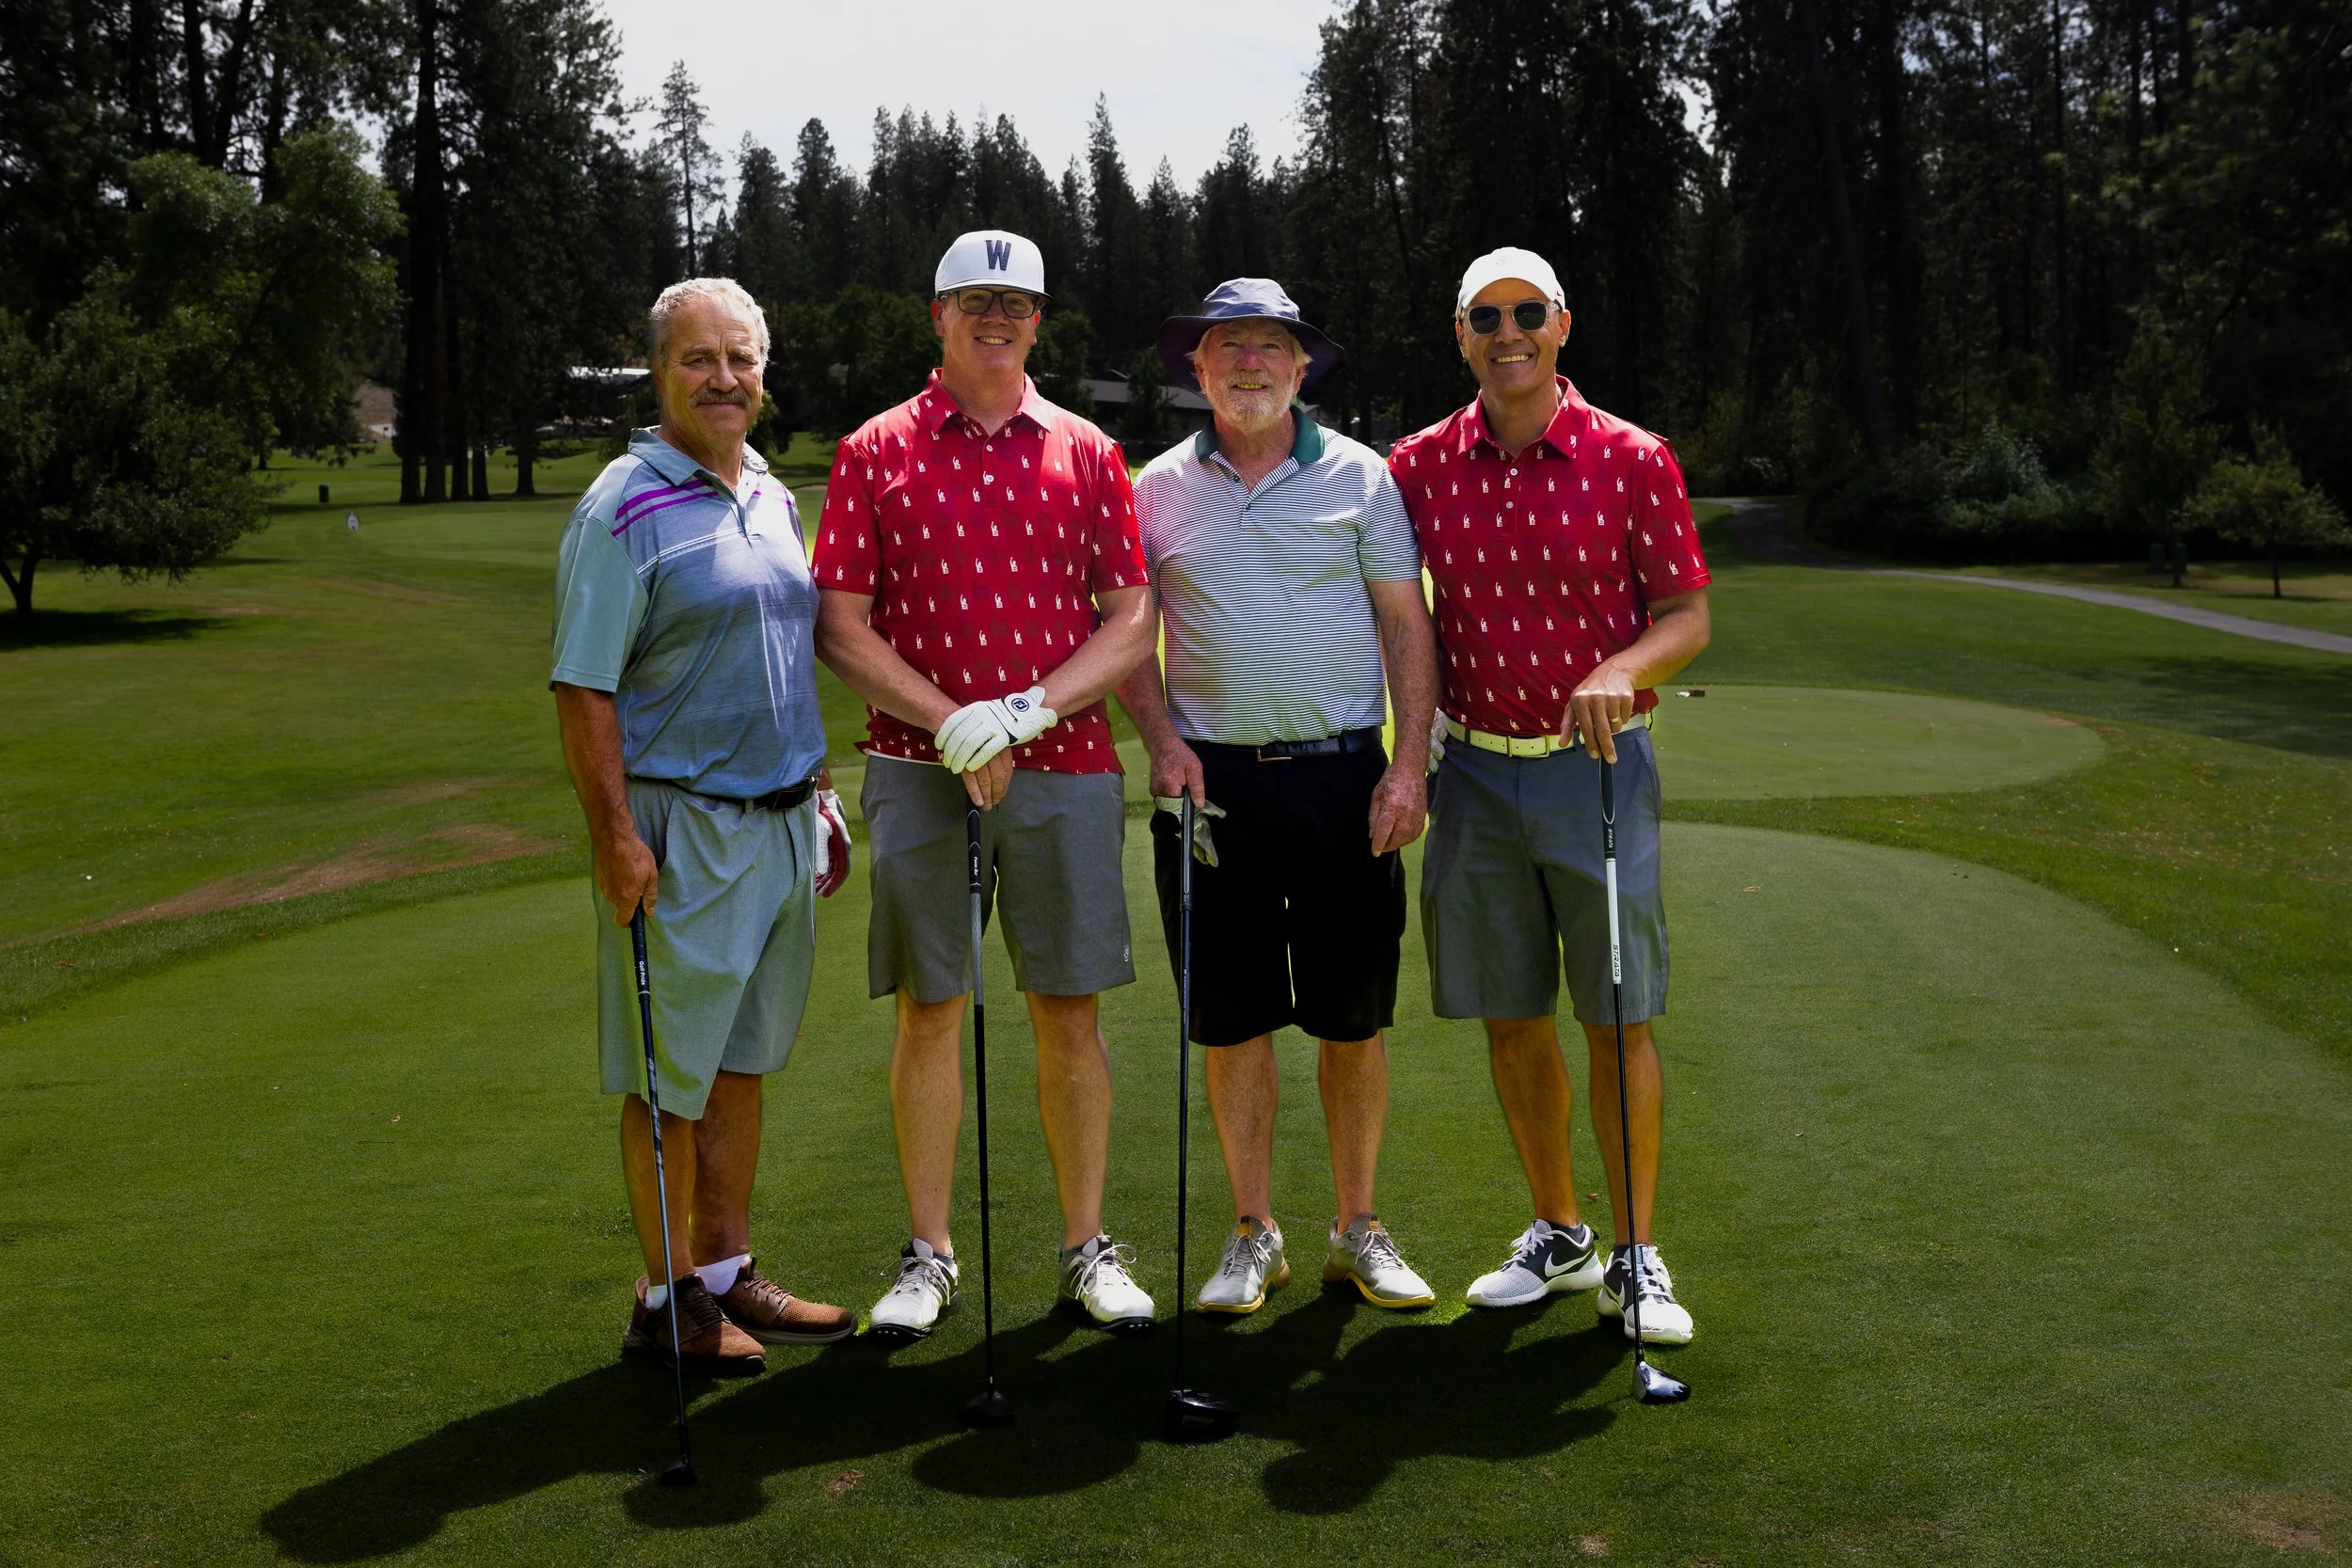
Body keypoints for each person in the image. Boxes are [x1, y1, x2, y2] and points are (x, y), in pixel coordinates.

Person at [813, 230, 1159, 1338]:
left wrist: (1021, 711)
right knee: (931, 1009)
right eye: (975, 300)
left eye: (1015, 303)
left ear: (1038, 320)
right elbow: (840, 624)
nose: (996, 318)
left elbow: (1130, 618)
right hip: (919, 771)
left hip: (1064, 765)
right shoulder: (874, 449)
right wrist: (948, 720)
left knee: (1069, 1010)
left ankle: (1085, 1246)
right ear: (939, 314)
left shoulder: (1089, 450)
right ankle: (929, 1253)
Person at [1391, 247, 1711, 1342]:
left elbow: (1685, 614)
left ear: (1562, 324)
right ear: (1460, 334)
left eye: (1527, 312)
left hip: (1599, 771)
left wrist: (1624, 666)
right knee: (1511, 1011)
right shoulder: (1418, 466)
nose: (1508, 332)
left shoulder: (1632, 457)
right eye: (1485, 317)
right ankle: (1560, 1229)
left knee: (1616, 1015)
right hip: (1475, 772)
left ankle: (1635, 1252)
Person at [550, 277, 858, 1374]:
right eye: (698, 358)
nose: (723, 378)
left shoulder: (768, 489)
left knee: (739, 1065)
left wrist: (818, 791)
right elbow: (583, 685)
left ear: (763, 371)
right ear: (659, 371)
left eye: (740, 358)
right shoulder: (621, 506)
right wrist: (615, 834)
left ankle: (727, 1272)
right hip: (680, 828)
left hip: (777, 823)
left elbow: (782, 655)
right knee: (667, 1076)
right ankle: (666, 1297)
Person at [1120, 279, 1442, 1316]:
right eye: (1229, 347)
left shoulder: (1361, 475)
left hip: (1345, 778)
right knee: (1233, 1019)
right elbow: (1126, 633)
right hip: (1209, 789)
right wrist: (1161, 741)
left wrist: (1407, 765)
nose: (1250, 363)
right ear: (1198, 367)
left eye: (1271, 346)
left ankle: (1357, 1225)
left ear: (1302, 369)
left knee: (1353, 1018)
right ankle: (1254, 1228)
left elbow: (1405, 625)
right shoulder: (1155, 488)